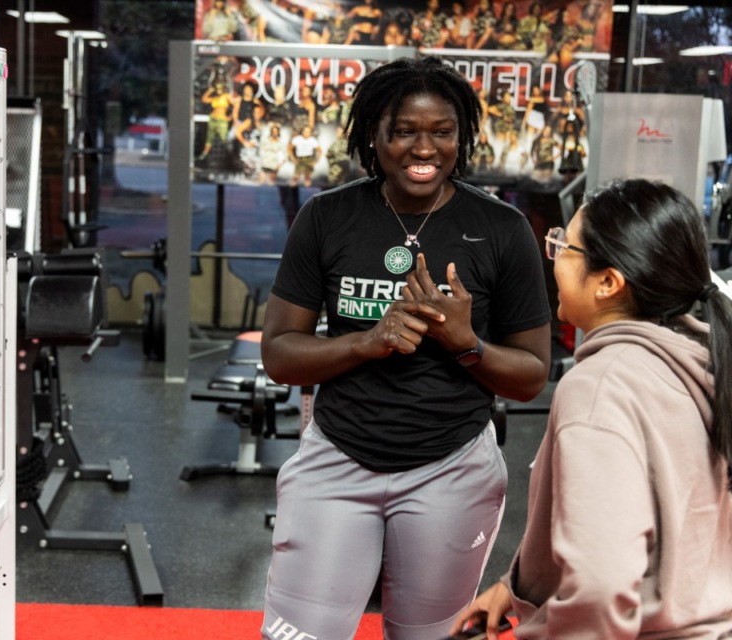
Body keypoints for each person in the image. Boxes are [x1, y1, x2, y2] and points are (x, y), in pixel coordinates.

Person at [259, 56, 552, 640]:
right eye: (404, 132)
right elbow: (280, 355)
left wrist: (464, 342)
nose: (425, 149)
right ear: (374, 134)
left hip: (452, 469)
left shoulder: (501, 228)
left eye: (442, 132)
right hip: (338, 459)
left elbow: (530, 377)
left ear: (461, 136)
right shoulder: (327, 217)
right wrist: (368, 342)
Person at [450, 178, 732, 639]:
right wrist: (516, 584)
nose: (555, 256)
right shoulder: (705, 360)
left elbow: (600, 590)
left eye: (565, 247)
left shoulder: (601, 387)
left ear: (607, 283)